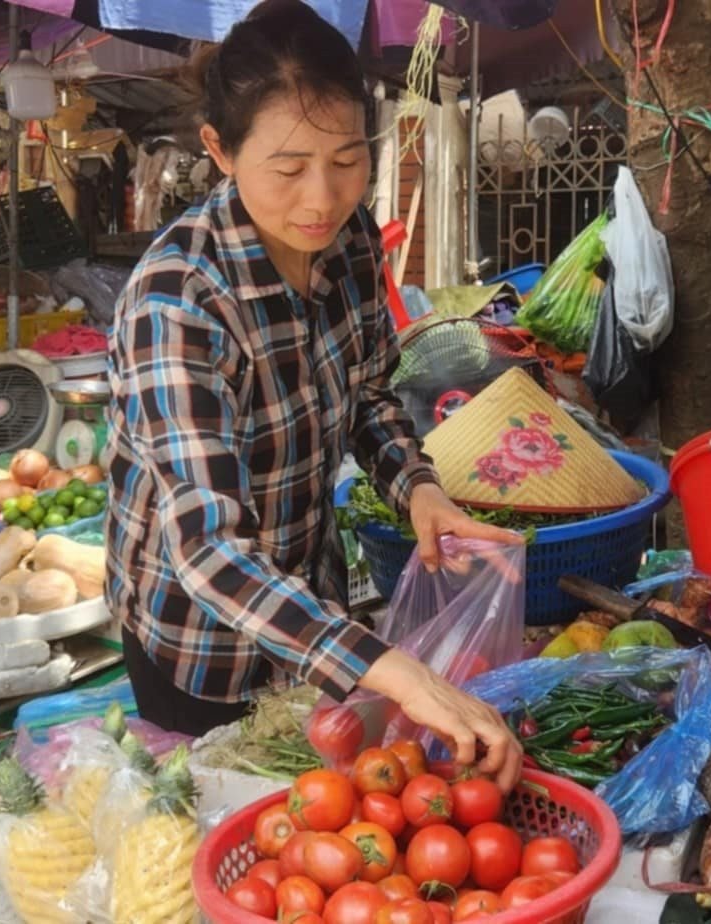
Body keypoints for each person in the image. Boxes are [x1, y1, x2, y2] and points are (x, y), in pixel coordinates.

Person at [105, 0, 523, 788]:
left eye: (347, 159)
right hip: (196, 637)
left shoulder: (351, 239)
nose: (322, 199)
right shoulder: (178, 302)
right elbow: (209, 549)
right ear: (220, 152)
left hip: (310, 594)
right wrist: (392, 671)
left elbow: (367, 391)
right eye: (290, 168)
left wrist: (418, 490)